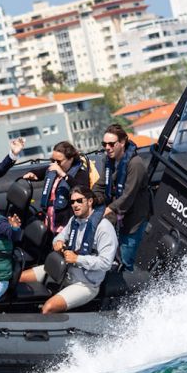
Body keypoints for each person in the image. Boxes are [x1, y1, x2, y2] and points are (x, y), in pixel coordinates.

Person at [19, 186, 118, 314]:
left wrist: (77, 259)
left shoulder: (104, 228)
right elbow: (60, 237)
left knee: (48, 308)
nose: (75, 205)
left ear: (90, 201)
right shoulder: (74, 221)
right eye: (72, 202)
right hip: (65, 272)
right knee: (20, 278)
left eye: (79, 201)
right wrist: (58, 242)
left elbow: (105, 263)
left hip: (85, 283)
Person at [93, 124, 150, 271]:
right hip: (118, 216)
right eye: (104, 144)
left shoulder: (135, 164)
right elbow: (101, 184)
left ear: (122, 142)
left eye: (111, 144)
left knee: (126, 257)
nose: (107, 147)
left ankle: (131, 281)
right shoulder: (109, 162)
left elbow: (128, 195)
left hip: (134, 218)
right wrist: (90, 199)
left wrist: (108, 209)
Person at [22, 141, 91, 234]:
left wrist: (63, 175)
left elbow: (83, 189)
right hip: (49, 219)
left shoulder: (80, 173)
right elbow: (42, 171)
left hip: (65, 223)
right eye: (52, 160)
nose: (55, 164)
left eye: (58, 161)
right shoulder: (53, 169)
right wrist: (33, 174)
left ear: (70, 159)